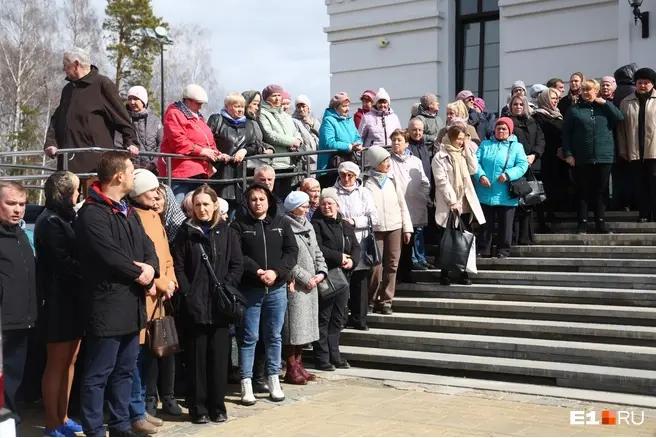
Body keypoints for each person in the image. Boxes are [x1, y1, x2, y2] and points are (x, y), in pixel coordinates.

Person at [75, 151, 159, 437]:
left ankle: (121, 425)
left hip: (132, 306)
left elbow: (148, 246)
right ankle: (95, 429)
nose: (134, 174)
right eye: (131, 169)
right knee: (99, 373)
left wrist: (151, 268)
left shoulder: (128, 210)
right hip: (107, 307)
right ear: (119, 175)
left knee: (125, 371)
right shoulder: (92, 212)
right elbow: (108, 254)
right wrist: (141, 273)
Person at [173, 184, 242, 424]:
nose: (202, 209)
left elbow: (236, 264)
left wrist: (227, 286)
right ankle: (198, 407)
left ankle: (217, 406)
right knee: (196, 359)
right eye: (198, 204)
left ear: (215, 206)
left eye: (206, 204)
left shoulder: (227, 231)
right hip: (195, 305)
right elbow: (179, 266)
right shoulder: (185, 232)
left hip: (220, 305)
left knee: (218, 359)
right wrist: (188, 292)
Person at [231, 183, 298, 405]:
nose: (258, 203)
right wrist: (258, 271)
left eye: (261, 199)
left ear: (268, 201)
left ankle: (273, 378)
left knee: (274, 336)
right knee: (249, 337)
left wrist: (277, 272)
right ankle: (246, 382)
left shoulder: (282, 223)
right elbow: (238, 255)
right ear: (247, 202)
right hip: (251, 289)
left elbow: (291, 252)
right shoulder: (239, 226)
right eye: (253, 199)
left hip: (276, 289)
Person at [129, 170, 181, 423]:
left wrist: (170, 280)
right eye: (152, 190)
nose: (156, 195)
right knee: (138, 355)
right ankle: (138, 407)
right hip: (146, 296)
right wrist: (160, 282)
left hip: (161, 295)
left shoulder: (154, 216)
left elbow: (165, 253)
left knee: (153, 352)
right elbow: (139, 258)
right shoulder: (134, 217)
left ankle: (146, 404)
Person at [35, 173, 83, 437]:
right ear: (65, 192)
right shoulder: (49, 221)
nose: (79, 195)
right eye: (76, 191)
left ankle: (63, 416)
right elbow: (62, 262)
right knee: (56, 362)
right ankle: (52, 421)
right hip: (56, 300)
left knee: (71, 360)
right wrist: (89, 268)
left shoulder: (67, 217)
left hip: (73, 299)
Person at [44, 48, 137, 173]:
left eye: (65, 65)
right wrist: (51, 143)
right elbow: (57, 120)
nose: (63, 69)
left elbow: (122, 117)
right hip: (67, 165)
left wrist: (130, 142)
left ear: (76, 65)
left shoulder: (102, 85)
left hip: (95, 166)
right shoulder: (67, 90)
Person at [562, 79, 624, 233]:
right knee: (583, 190)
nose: (586, 93)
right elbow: (566, 134)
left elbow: (619, 117)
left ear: (596, 91)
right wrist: (568, 153)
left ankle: (600, 222)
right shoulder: (574, 110)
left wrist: (605, 103)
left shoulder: (604, 108)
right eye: (584, 90)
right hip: (582, 157)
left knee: (601, 190)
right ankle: (582, 222)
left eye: (589, 90)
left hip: (604, 156)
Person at [311, 188, 360, 369]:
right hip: (327, 275)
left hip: (343, 277)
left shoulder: (345, 224)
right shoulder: (316, 224)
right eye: (323, 203)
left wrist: (352, 261)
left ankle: (335, 355)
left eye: (330, 203)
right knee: (324, 317)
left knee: (338, 318)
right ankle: (322, 357)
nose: (326, 207)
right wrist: (339, 257)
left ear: (337, 206)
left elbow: (355, 246)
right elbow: (319, 248)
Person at [0, 182, 36, 424]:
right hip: (3, 319)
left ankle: (10, 414)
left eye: (22, 204)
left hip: (23, 318)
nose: (17, 209)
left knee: (15, 372)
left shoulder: (21, 234)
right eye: (10, 203)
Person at [281, 191, 326, 383]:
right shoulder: (285, 226)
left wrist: (321, 272)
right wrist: (304, 277)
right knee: (294, 329)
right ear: (294, 209)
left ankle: (300, 364)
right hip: (297, 285)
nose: (308, 209)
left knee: (305, 328)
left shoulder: (308, 226)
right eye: (304, 206)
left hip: (311, 284)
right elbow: (286, 258)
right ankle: (291, 367)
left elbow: (317, 251)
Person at [363, 146, 413, 315]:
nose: (387, 163)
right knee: (376, 266)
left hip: (395, 226)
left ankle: (386, 300)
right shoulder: (366, 182)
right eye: (384, 161)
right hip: (375, 229)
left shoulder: (392, 180)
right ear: (376, 163)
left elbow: (402, 204)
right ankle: (371, 298)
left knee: (392, 264)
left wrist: (407, 228)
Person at [432, 125, 485, 284]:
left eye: (463, 139)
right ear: (451, 137)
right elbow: (442, 181)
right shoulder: (440, 157)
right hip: (450, 204)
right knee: (449, 239)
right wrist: (451, 201)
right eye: (459, 139)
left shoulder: (463, 153)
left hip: (465, 202)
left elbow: (474, 168)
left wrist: (468, 149)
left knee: (464, 238)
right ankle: (445, 273)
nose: (461, 142)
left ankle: (463, 272)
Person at [158, 84, 228, 202]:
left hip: (199, 172)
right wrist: (201, 151)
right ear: (188, 101)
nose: (200, 107)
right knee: (179, 207)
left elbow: (208, 141)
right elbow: (177, 140)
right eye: (198, 103)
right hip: (180, 172)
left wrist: (217, 154)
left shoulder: (198, 118)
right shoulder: (174, 114)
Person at [474, 118, 529, 258]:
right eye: (498, 128)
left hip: (506, 193)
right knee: (485, 225)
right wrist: (480, 176)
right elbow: (475, 163)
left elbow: (522, 165)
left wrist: (508, 174)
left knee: (505, 225)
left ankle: (503, 250)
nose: (501, 131)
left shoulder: (517, 147)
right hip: (485, 191)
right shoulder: (485, 144)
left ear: (510, 131)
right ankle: (484, 249)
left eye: (504, 128)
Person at [333, 161, 378, 331]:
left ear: (356, 176)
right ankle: (342, 318)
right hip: (340, 242)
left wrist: (354, 221)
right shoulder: (333, 192)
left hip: (361, 240)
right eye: (343, 175)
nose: (346, 178)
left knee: (360, 281)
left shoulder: (364, 193)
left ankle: (359, 318)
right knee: (343, 281)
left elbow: (374, 217)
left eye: (350, 175)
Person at [207, 92, 263, 203]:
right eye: (236, 106)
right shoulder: (216, 120)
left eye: (242, 107)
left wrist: (245, 151)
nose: (240, 110)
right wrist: (218, 154)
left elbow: (256, 146)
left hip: (242, 176)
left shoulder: (250, 124)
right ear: (227, 106)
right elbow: (207, 141)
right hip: (220, 174)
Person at [617, 67, 656, 223]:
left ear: (652, 84)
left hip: (653, 150)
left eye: (646, 82)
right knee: (639, 184)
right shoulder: (626, 101)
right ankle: (644, 213)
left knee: (654, 182)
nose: (643, 85)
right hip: (634, 150)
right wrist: (623, 149)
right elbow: (621, 129)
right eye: (640, 82)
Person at [388, 129, 430, 271]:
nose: (395, 143)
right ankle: (405, 268)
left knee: (416, 235)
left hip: (415, 204)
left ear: (406, 143)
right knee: (402, 238)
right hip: (397, 207)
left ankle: (416, 262)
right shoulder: (388, 161)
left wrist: (423, 196)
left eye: (399, 140)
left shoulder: (415, 161)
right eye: (393, 140)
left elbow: (425, 181)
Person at [508, 95, 546, 243]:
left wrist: (534, 155)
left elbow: (540, 140)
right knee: (518, 203)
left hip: (533, 165)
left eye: (520, 104)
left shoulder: (532, 121)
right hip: (516, 167)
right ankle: (516, 237)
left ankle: (528, 236)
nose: (518, 107)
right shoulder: (508, 122)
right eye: (515, 104)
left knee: (531, 201)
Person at [258, 84, 302, 195]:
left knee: (287, 195)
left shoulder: (285, 115)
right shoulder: (262, 114)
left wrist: (298, 140)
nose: (277, 98)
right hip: (275, 163)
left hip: (289, 161)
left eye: (279, 95)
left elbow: (295, 131)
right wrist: (291, 141)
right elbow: (270, 135)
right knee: (275, 196)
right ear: (266, 97)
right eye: (274, 96)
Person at [533, 88, 568, 225]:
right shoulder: (538, 116)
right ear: (545, 99)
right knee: (545, 187)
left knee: (555, 186)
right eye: (552, 98)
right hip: (545, 157)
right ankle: (543, 217)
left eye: (557, 98)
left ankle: (552, 213)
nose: (555, 101)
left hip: (558, 157)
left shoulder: (558, 115)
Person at [317, 92, 362, 185]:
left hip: (349, 163)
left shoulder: (349, 120)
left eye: (348, 106)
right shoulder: (328, 121)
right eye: (344, 106)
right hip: (331, 168)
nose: (347, 109)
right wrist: (349, 146)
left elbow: (357, 136)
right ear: (336, 107)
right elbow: (329, 142)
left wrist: (358, 144)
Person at [120, 85, 162, 172]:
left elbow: (162, 144)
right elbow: (118, 143)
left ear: (143, 101)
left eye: (135, 99)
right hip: (129, 170)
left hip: (152, 171)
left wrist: (154, 163)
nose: (132, 102)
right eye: (130, 99)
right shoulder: (122, 120)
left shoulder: (155, 121)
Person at [241, 90, 276, 170]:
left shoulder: (254, 122)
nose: (257, 108)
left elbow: (258, 141)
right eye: (254, 104)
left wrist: (270, 148)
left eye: (258, 105)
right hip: (245, 166)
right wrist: (260, 149)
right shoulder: (239, 122)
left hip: (257, 165)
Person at [292, 94, 321, 172]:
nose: (301, 109)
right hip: (303, 156)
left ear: (308, 107)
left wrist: (311, 125)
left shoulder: (315, 121)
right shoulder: (293, 121)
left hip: (317, 154)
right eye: (298, 107)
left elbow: (321, 135)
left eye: (303, 106)